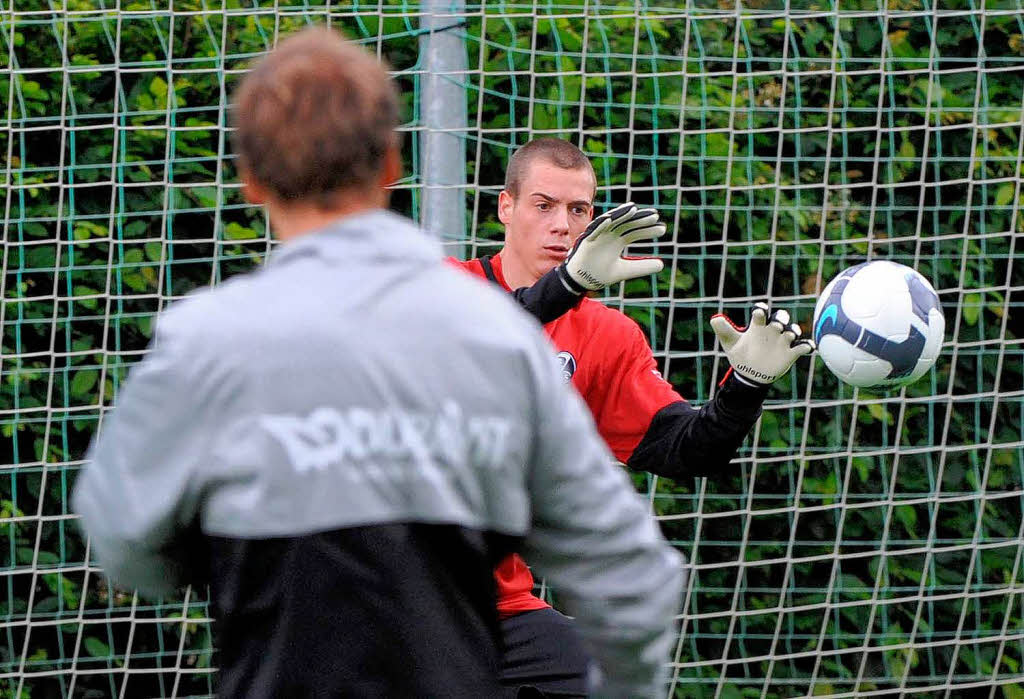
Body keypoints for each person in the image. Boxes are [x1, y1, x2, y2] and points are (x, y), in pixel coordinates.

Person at [72, 30, 685, 699]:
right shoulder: (497, 337)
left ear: (250, 180)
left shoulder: (207, 339)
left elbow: (121, 534)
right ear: (393, 163)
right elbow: (632, 573)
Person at [450, 137, 816, 697]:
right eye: (543, 206)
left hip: (497, 604)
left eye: (578, 211)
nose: (562, 226)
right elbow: (483, 346)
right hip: (399, 588)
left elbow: (687, 450)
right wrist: (566, 287)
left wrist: (745, 387)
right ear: (505, 207)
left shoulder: (606, 336)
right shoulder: (444, 287)